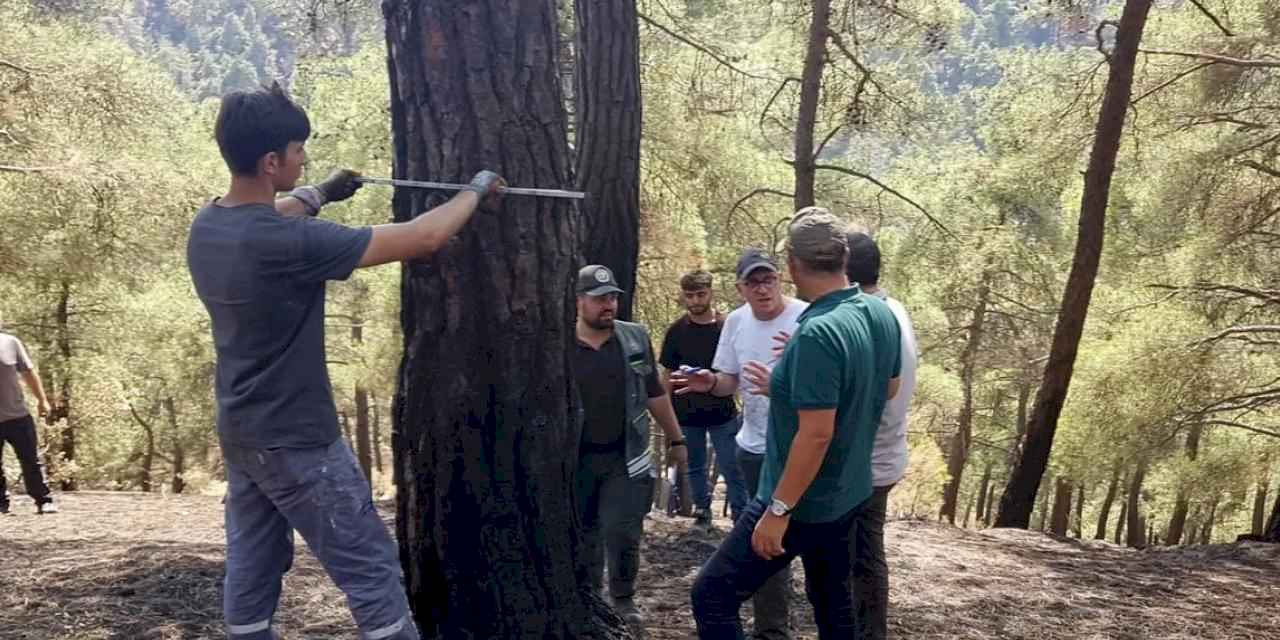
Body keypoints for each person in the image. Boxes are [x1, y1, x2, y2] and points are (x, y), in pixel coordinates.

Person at [187, 82, 504, 640]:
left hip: (242, 433)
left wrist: (321, 192)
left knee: (255, 562)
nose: (303, 156)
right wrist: (475, 193)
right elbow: (424, 237)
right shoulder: (293, 244)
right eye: (297, 149)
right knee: (370, 570)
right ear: (270, 161)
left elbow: (276, 211)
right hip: (299, 438)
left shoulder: (208, 224)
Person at [684, 208, 902, 639]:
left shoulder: (818, 332)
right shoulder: (879, 314)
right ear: (842, 258)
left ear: (792, 266)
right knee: (833, 605)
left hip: (802, 499)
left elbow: (816, 433)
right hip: (849, 490)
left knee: (711, 595)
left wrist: (778, 510)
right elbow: (889, 389)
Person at [674, 248, 807, 639]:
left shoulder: (806, 318)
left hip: (796, 450)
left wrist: (783, 382)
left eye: (768, 279)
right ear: (740, 287)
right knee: (759, 545)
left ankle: (776, 628)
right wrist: (710, 383)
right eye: (753, 282)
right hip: (750, 447)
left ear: (780, 279)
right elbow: (729, 379)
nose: (763, 289)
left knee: (788, 541)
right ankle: (769, 628)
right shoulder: (735, 321)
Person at [574, 264, 690, 628]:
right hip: (572, 460)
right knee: (584, 532)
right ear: (579, 301)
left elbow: (655, 392)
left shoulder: (634, 337)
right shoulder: (557, 343)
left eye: (612, 298)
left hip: (624, 457)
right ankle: (588, 599)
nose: (608, 306)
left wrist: (676, 438)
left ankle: (623, 599)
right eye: (599, 299)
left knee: (622, 530)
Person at [845, 230, 918, 640]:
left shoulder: (865, 320)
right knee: (866, 554)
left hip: (865, 459)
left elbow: (860, 397)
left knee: (860, 558)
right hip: (886, 451)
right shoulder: (895, 309)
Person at [659, 269, 748, 527]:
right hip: (686, 412)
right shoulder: (676, 331)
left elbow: (737, 369)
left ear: (710, 293)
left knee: (733, 466)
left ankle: (741, 515)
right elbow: (667, 374)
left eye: (701, 294)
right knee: (695, 465)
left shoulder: (726, 326)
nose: (696, 300)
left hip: (722, 411)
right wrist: (667, 416)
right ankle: (702, 510)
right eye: (690, 295)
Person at [0, 323, 57, 515]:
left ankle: (43, 499)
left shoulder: (10, 343)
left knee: (30, 460)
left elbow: (29, 373)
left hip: (17, 416)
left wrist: (42, 400)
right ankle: (1, 504)